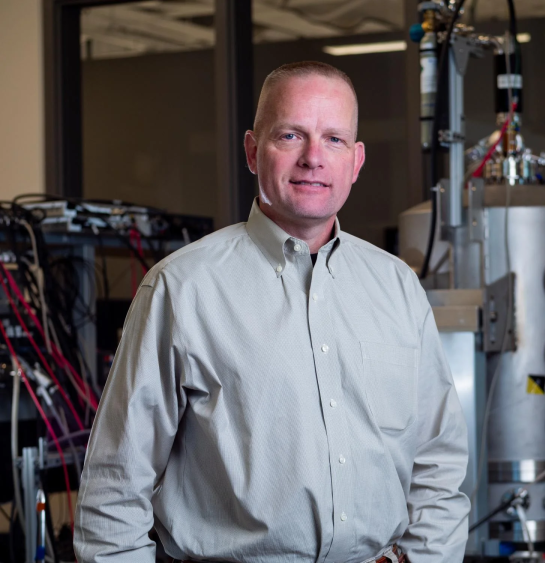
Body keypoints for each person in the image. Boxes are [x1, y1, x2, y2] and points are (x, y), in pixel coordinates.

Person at [74, 61, 470, 563]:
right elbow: (115, 486)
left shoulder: (397, 288)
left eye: (334, 140)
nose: (313, 159)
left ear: (357, 159)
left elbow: (438, 461)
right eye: (290, 135)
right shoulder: (182, 288)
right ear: (252, 151)